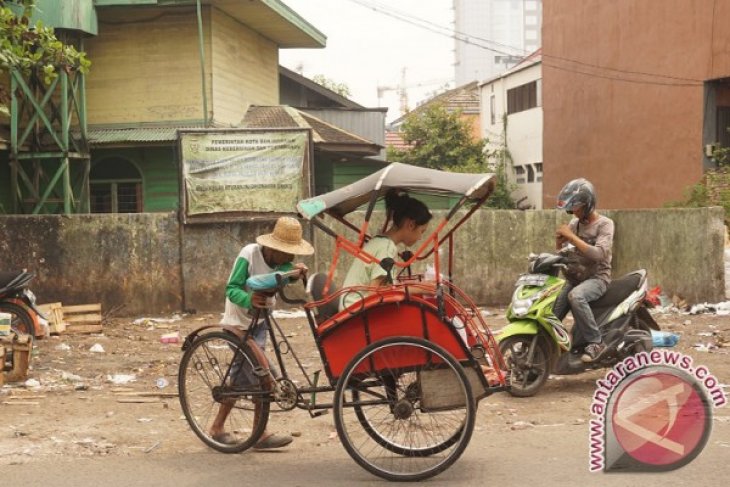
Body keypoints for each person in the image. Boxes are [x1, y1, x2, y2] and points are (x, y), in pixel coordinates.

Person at [210, 216, 313, 450]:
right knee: (262, 375)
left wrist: (295, 273)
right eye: (285, 253)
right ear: (272, 248)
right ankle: (260, 434)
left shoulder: (282, 263)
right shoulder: (249, 254)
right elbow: (231, 288)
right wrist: (249, 298)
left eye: (291, 254)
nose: (289, 258)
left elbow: (285, 274)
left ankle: (219, 428)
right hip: (238, 324)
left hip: (260, 323)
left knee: (242, 377)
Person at [553, 178, 615, 363]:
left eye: (576, 208)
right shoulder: (575, 223)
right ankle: (550, 345)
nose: (572, 212)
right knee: (552, 310)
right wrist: (559, 242)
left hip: (598, 278)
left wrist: (571, 236)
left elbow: (598, 254)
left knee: (576, 296)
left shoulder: (605, 224)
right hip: (576, 277)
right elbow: (564, 252)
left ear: (588, 205)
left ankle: (596, 343)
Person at [340, 189, 433, 311]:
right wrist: (420, 289)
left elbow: (386, 287)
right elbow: (376, 293)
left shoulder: (381, 242)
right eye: (422, 231)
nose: (420, 237)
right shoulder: (386, 248)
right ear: (411, 225)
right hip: (356, 312)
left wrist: (417, 286)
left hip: (352, 307)